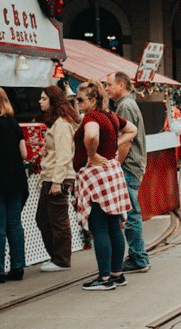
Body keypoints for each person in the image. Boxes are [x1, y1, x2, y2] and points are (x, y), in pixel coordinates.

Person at [73, 81, 138, 291]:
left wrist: (92, 155)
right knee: (113, 226)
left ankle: (104, 279)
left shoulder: (92, 117)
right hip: (111, 174)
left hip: (95, 177)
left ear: (93, 100)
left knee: (99, 227)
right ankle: (117, 274)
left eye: (80, 99)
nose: (77, 102)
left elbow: (91, 135)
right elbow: (132, 129)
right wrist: (113, 148)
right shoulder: (110, 115)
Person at [105, 72, 150, 274]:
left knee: (130, 213)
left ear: (121, 85)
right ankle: (137, 256)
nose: (106, 89)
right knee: (130, 212)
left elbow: (126, 140)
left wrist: (116, 165)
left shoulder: (125, 106)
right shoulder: (127, 104)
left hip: (129, 166)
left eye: (109, 85)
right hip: (133, 165)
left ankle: (139, 258)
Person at [36, 85, 80, 272]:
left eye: (44, 98)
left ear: (53, 101)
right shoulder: (59, 123)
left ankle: (61, 259)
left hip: (57, 177)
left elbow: (64, 155)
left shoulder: (61, 125)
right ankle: (57, 257)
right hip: (53, 176)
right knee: (44, 219)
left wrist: (57, 182)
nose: (40, 101)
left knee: (57, 220)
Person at [0, 89, 28, 284]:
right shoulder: (13, 123)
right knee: (15, 225)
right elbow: (24, 154)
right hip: (16, 180)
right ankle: (18, 267)